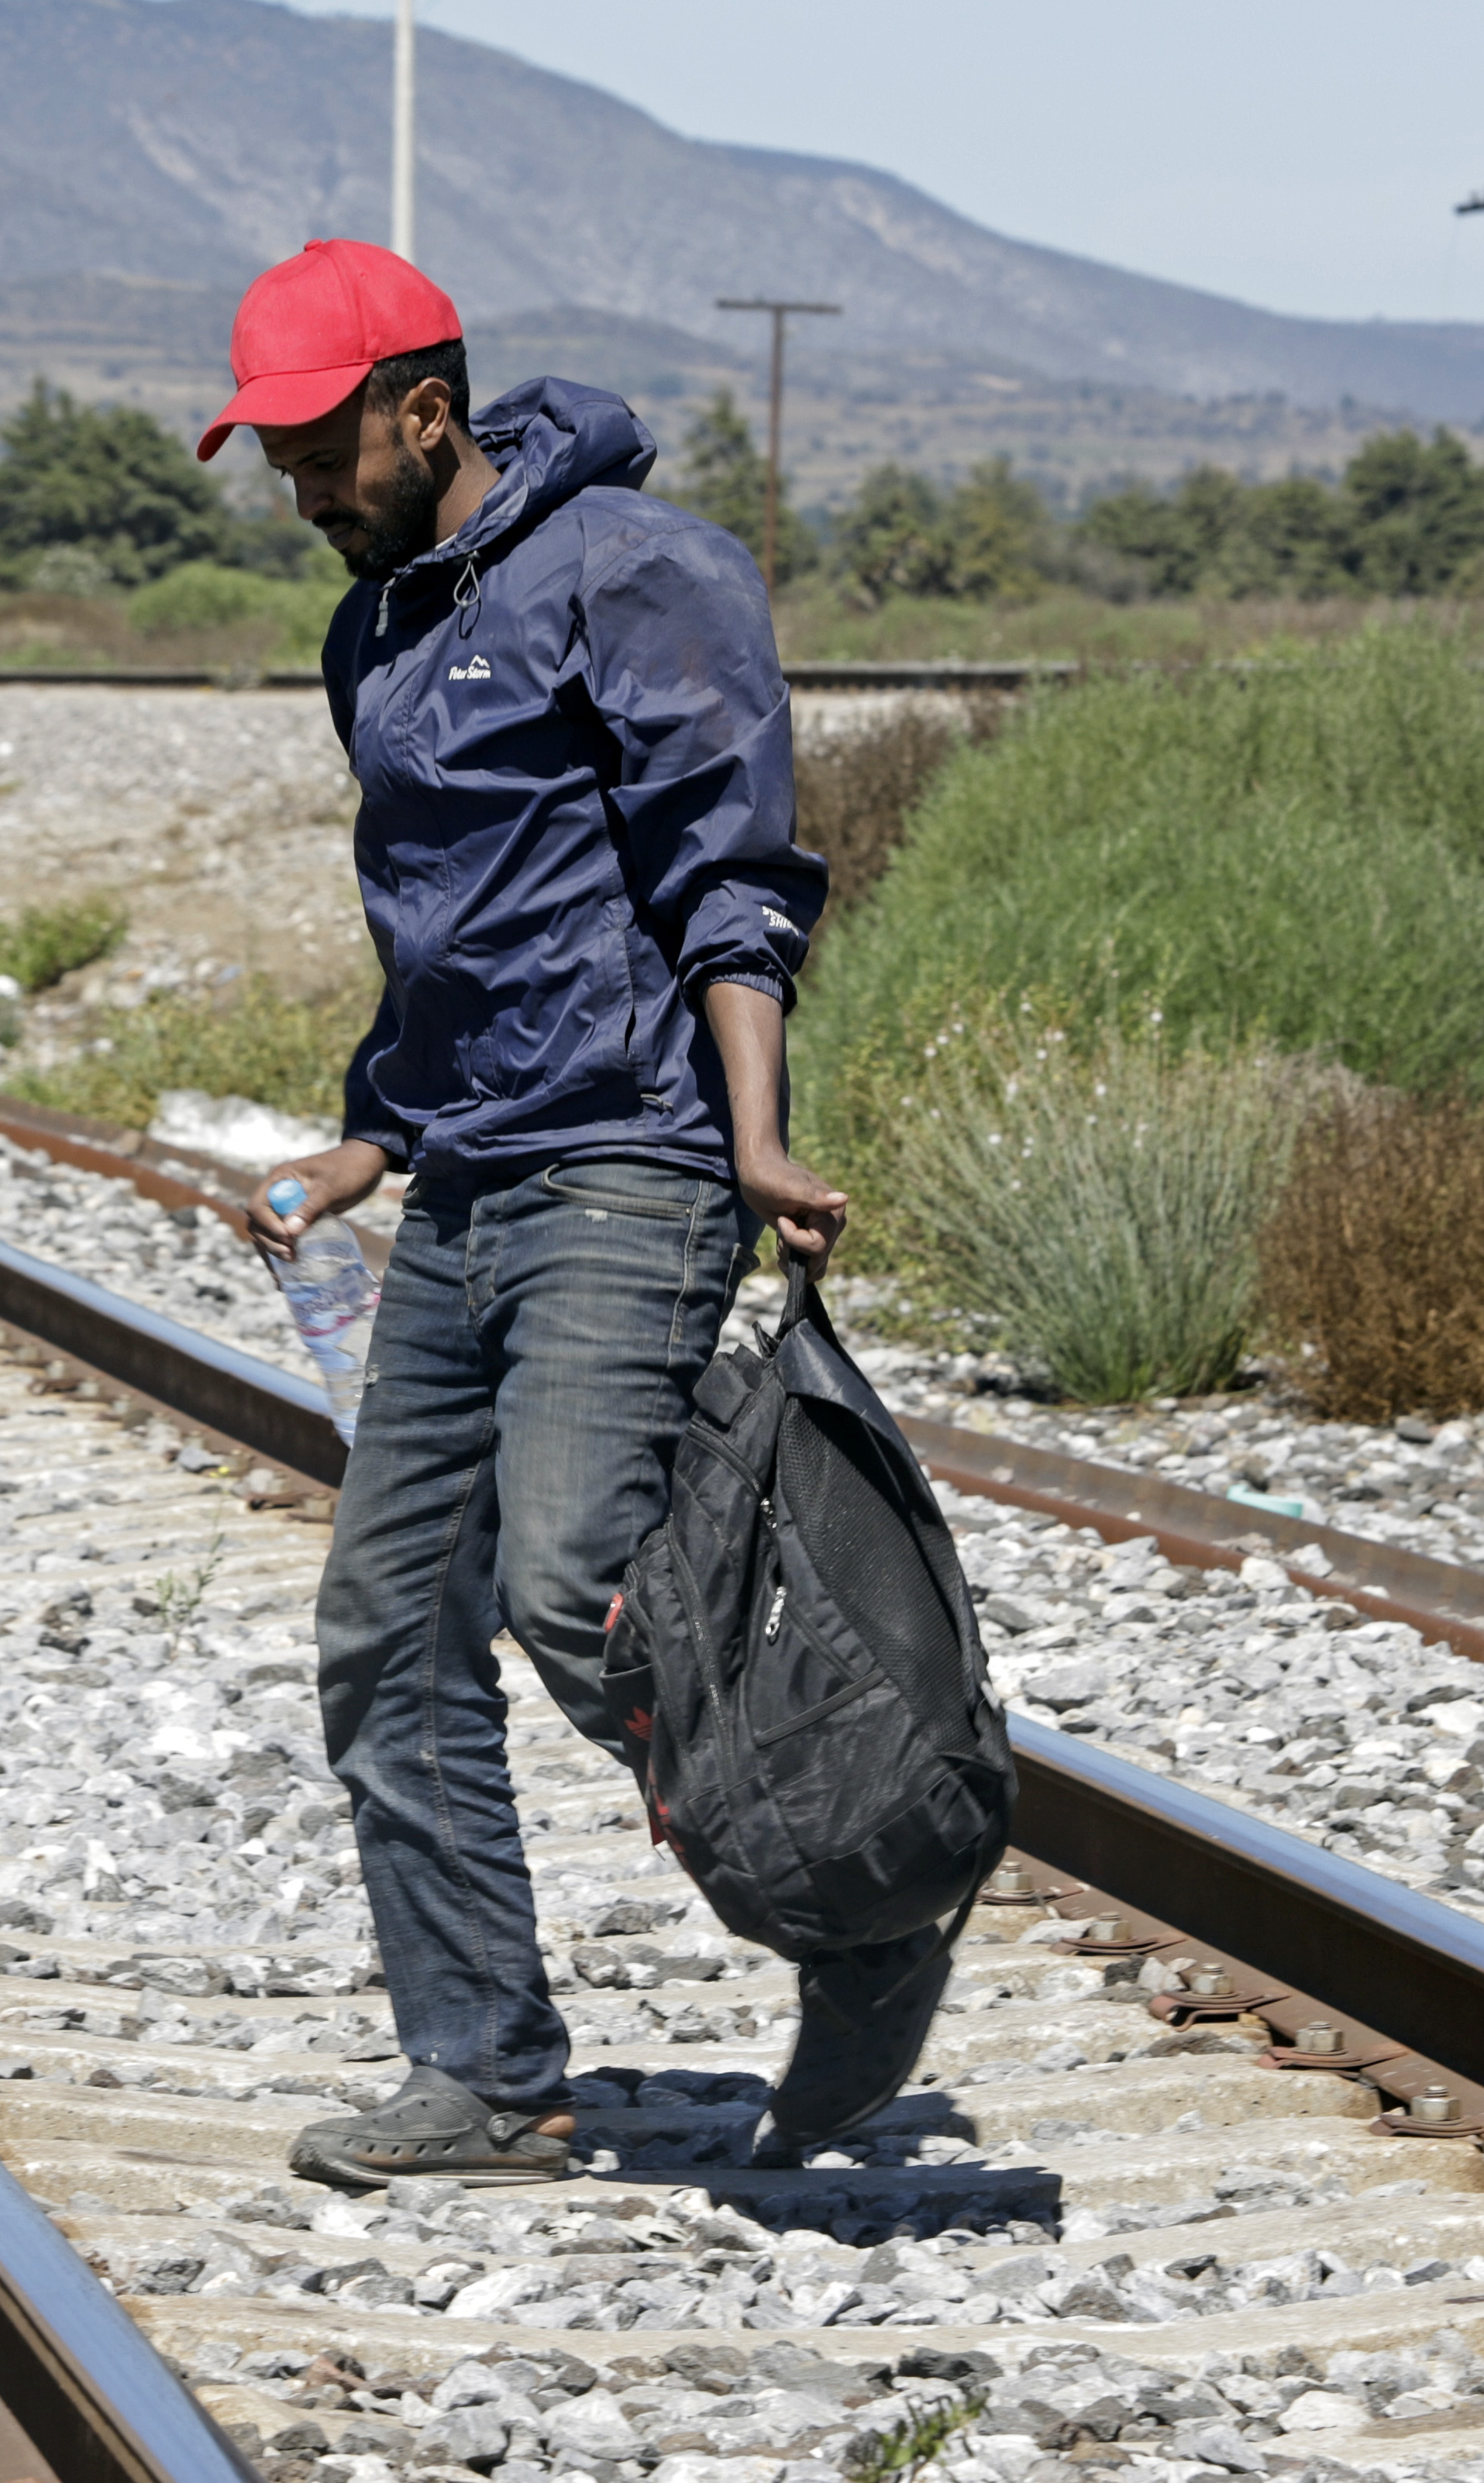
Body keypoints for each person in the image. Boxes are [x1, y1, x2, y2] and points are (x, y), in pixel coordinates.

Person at [197, 239, 937, 2186]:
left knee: (571, 1582)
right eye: (268, 457)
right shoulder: (369, 635)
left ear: (423, 407)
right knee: (381, 1632)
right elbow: (455, 938)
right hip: (466, 1177)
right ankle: (488, 2068)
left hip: (630, 1156)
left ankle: (869, 1895)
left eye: (313, 448)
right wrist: (367, 1134)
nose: (295, 491)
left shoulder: (639, 570)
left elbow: (733, 874)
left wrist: (755, 1134)